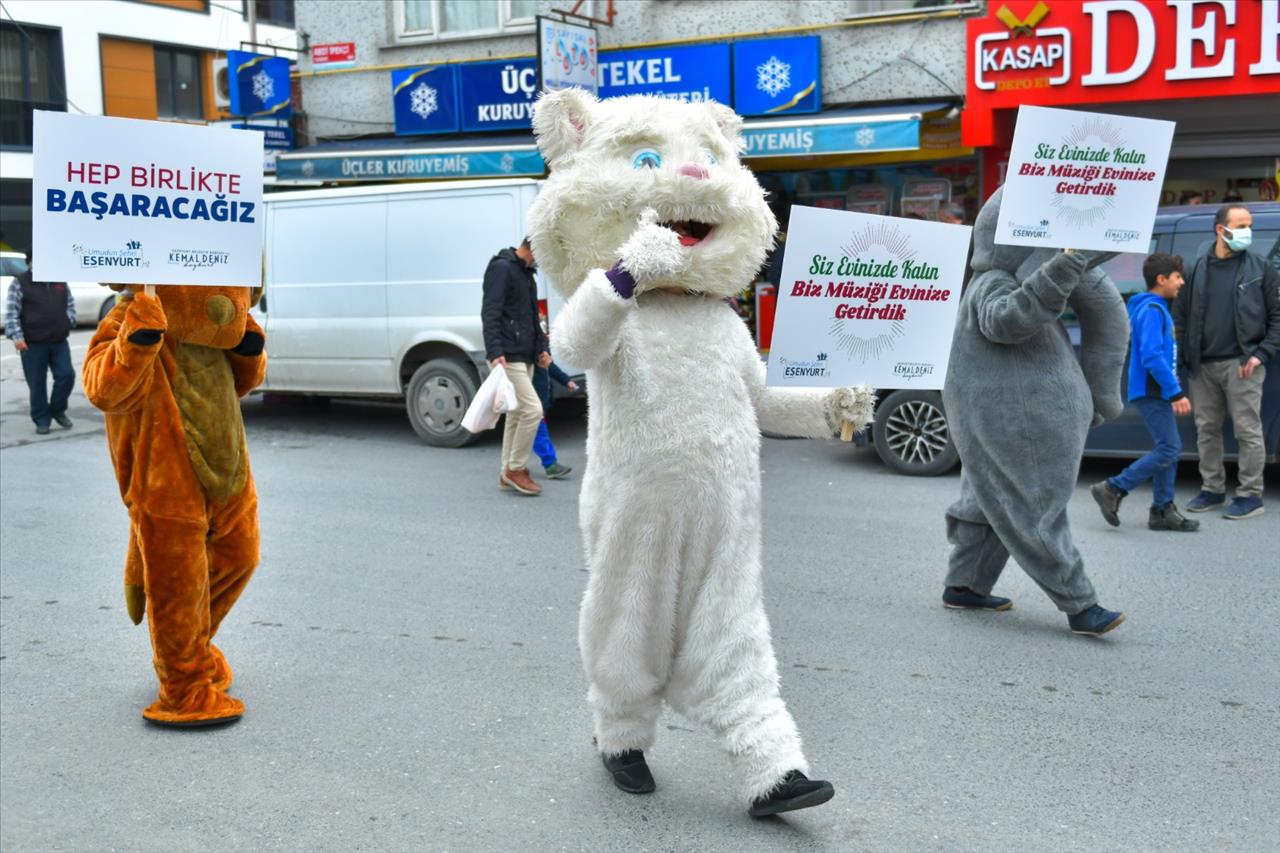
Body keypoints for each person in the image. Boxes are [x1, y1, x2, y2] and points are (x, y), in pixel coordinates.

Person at [941, 188, 1129, 638]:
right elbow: (1007, 322)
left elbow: (1108, 318)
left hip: (1008, 413)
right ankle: (1080, 604)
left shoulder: (1024, 276)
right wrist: (1061, 265)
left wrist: (1100, 395)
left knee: (985, 499)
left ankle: (964, 585)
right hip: (1006, 416)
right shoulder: (991, 282)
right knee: (1031, 504)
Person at [1172, 204, 1280, 520]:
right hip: (1202, 364)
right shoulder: (1195, 269)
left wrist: (1260, 354)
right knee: (1206, 430)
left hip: (1243, 363)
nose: (1248, 232)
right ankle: (1212, 490)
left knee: (1248, 430)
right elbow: (1180, 316)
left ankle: (1250, 495)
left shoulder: (1261, 268)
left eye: (1249, 225)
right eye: (1241, 225)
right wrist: (1185, 354)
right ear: (1221, 230)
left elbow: (1277, 317)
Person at [1090, 254, 1198, 532]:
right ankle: (1113, 487)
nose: (1181, 282)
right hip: (1153, 391)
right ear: (1161, 279)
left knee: (1168, 448)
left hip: (1156, 390)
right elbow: (1150, 355)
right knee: (1170, 447)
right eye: (1177, 277)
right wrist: (1175, 392)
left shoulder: (1155, 307)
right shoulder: (1152, 310)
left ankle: (1162, 510)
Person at [481, 237, 551, 496]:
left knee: (516, 414)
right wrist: (494, 351)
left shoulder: (526, 274)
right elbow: (490, 311)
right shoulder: (502, 268)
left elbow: (533, 317)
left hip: (525, 354)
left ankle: (505, 471)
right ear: (534, 248)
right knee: (533, 411)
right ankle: (516, 469)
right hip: (507, 355)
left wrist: (542, 348)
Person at [4, 257, 76, 434]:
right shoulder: (20, 282)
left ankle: (57, 410)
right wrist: (16, 336)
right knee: (37, 384)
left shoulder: (59, 281)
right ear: (29, 263)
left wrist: (68, 321)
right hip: (32, 343)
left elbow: (70, 304)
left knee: (67, 375)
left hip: (59, 340)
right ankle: (42, 419)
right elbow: (12, 311)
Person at [531, 359, 576, 480]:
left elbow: (550, 366)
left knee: (527, 434)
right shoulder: (530, 347)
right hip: (533, 403)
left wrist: (566, 381)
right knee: (540, 433)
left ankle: (511, 466)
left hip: (541, 401)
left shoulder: (541, 346)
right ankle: (550, 465)